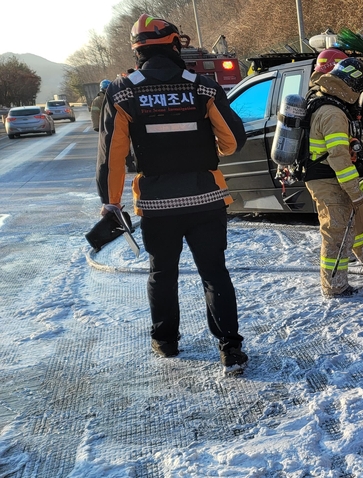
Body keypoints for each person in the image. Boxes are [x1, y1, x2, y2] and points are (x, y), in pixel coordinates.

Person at [96, 14, 249, 373]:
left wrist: (111, 203)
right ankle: (230, 346)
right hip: (206, 200)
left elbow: (112, 157)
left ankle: (166, 342)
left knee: (162, 273)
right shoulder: (203, 86)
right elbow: (232, 141)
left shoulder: (122, 91)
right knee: (214, 272)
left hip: (157, 206)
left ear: (138, 50)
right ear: (174, 45)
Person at [303, 58, 363, 297]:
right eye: (360, 90)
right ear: (351, 87)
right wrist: (355, 192)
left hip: (328, 177)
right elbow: (339, 160)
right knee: (336, 233)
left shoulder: (326, 102)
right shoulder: (333, 113)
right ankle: (335, 287)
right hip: (328, 179)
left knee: (350, 223)